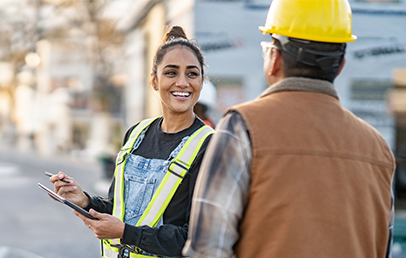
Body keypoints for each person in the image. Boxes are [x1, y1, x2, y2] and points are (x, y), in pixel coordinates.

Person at [183, 0, 395, 257]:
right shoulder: (378, 149)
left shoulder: (242, 127)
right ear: (339, 67)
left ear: (274, 58)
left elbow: (207, 250)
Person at [50, 26, 214, 258]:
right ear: (154, 81)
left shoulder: (210, 146)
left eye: (192, 73)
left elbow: (198, 238)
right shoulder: (136, 135)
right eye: (171, 72)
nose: (182, 82)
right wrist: (84, 200)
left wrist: (126, 233)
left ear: (201, 81)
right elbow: (121, 208)